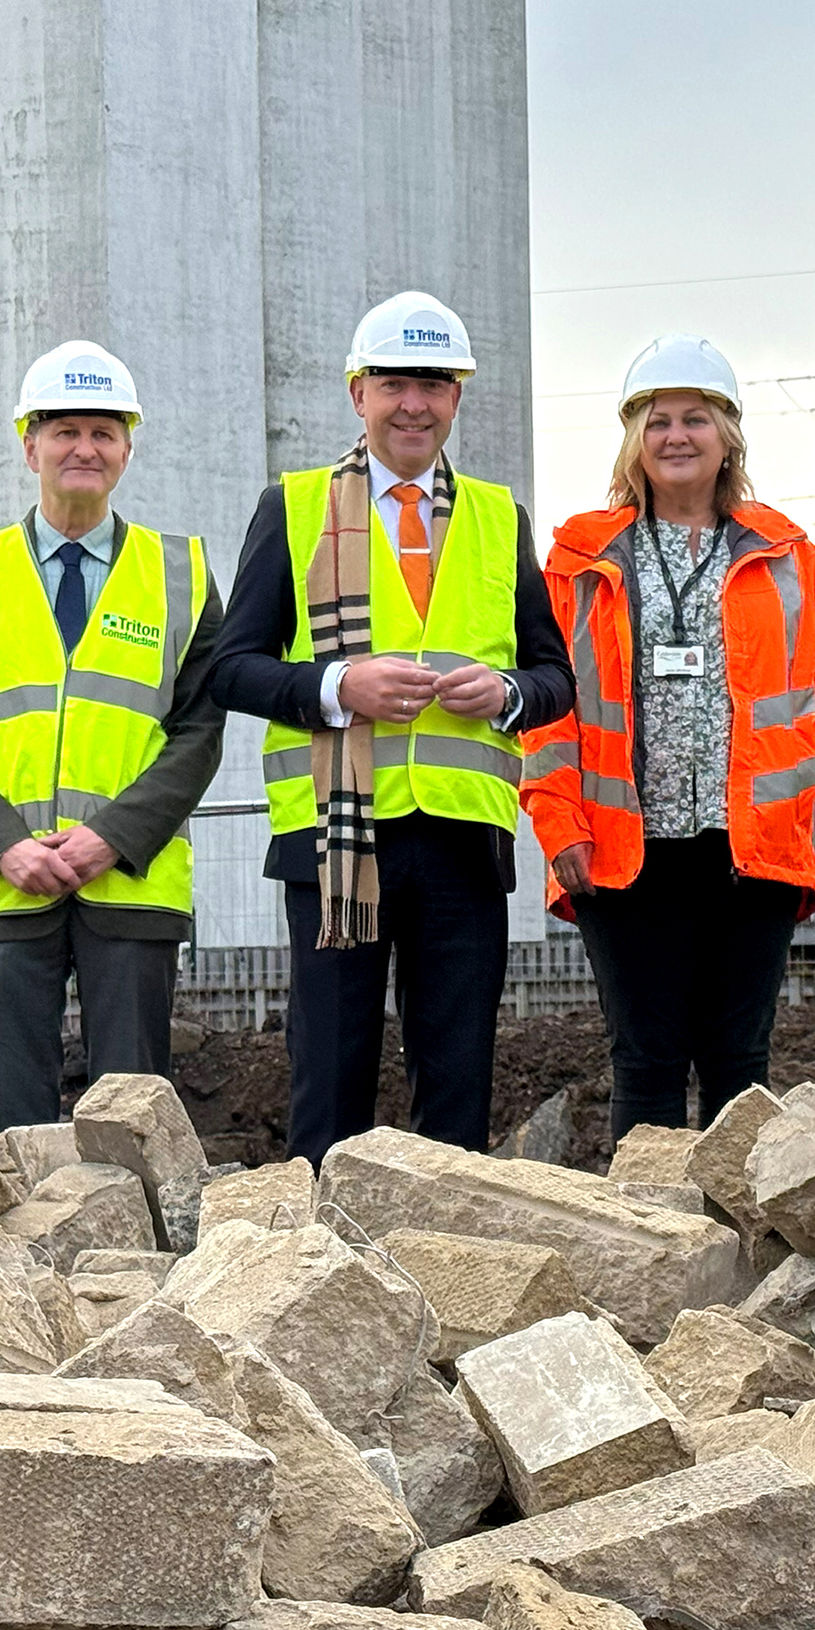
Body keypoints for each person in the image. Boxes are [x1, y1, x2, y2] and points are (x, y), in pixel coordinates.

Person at [210, 290, 573, 1165]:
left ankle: (448, 1263)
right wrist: (340, 683)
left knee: (458, 1080)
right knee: (329, 1077)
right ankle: (317, 1262)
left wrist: (508, 693)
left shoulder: (499, 516)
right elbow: (232, 666)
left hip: (459, 841)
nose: (415, 402)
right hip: (337, 843)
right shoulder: (292, 507)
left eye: (435, 384)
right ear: (357, 393)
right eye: (395, 382)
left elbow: (557, 678)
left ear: (456, 399)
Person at [521, 335, 815, 1141]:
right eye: (659, 421)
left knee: (739, 1058)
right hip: (625, 850)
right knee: (643, 1055)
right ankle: (653, 1241)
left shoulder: (792, 557)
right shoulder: (580, 561)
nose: (677, 436)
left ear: (728, 438)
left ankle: (742, 1240)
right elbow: (548, 706)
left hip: (750, 848)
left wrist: (806, 761)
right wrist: (559, 820)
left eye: (696, 420)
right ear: (634, 440)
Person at [0, 342, 224, 1131]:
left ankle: (140, 1261)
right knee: (15, 1126)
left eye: (103, 431)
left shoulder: (180, 572)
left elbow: (199, 729)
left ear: (127, 448)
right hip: (5, 884)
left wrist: (110, 838)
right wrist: (2, 843)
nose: (84, 447)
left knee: (134, 1121)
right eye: (63, 430)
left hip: (130, 886)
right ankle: (11, 1261)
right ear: (30, 445)